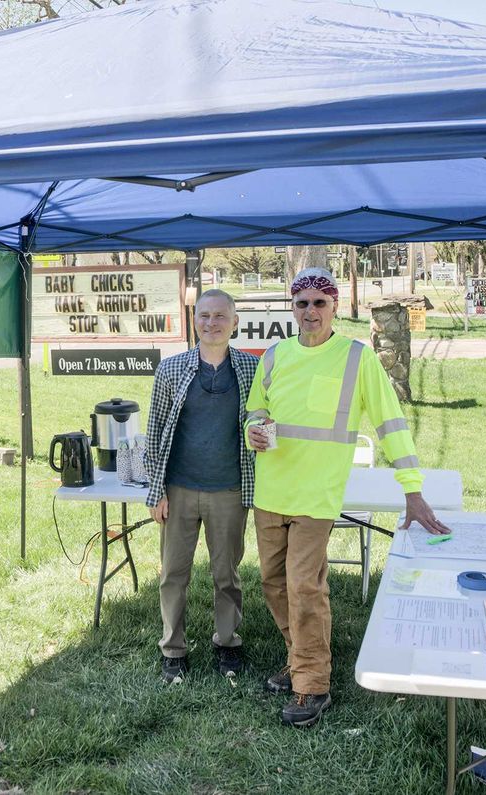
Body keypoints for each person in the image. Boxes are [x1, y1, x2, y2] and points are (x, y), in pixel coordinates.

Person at [245, 267, 450, 727]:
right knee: (273, 585)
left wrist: (412, 490)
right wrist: (251, 429)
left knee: (303, 587)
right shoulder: (274, 356)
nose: (310, 311)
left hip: (317, 497)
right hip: (271, 491)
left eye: (320, 302)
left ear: (335, 306)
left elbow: (391, 424)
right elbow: (257, 407)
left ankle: (312, 685)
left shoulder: (357, 359)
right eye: (302, 303)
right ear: (292, 309)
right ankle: (299, 657)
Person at [145, 289, 259, 683]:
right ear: (195, 320)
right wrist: (155, 491)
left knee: (227, 573)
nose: (211, 323)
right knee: (173, 574)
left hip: (229, 489)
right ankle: (173, 649)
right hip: (179, 488)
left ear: (235, 322)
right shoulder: (172, 369)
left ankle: (227, 643)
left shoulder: (250, 368)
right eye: (204, 316)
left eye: (220, 316)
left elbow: (262, 421)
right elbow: (155, 431)